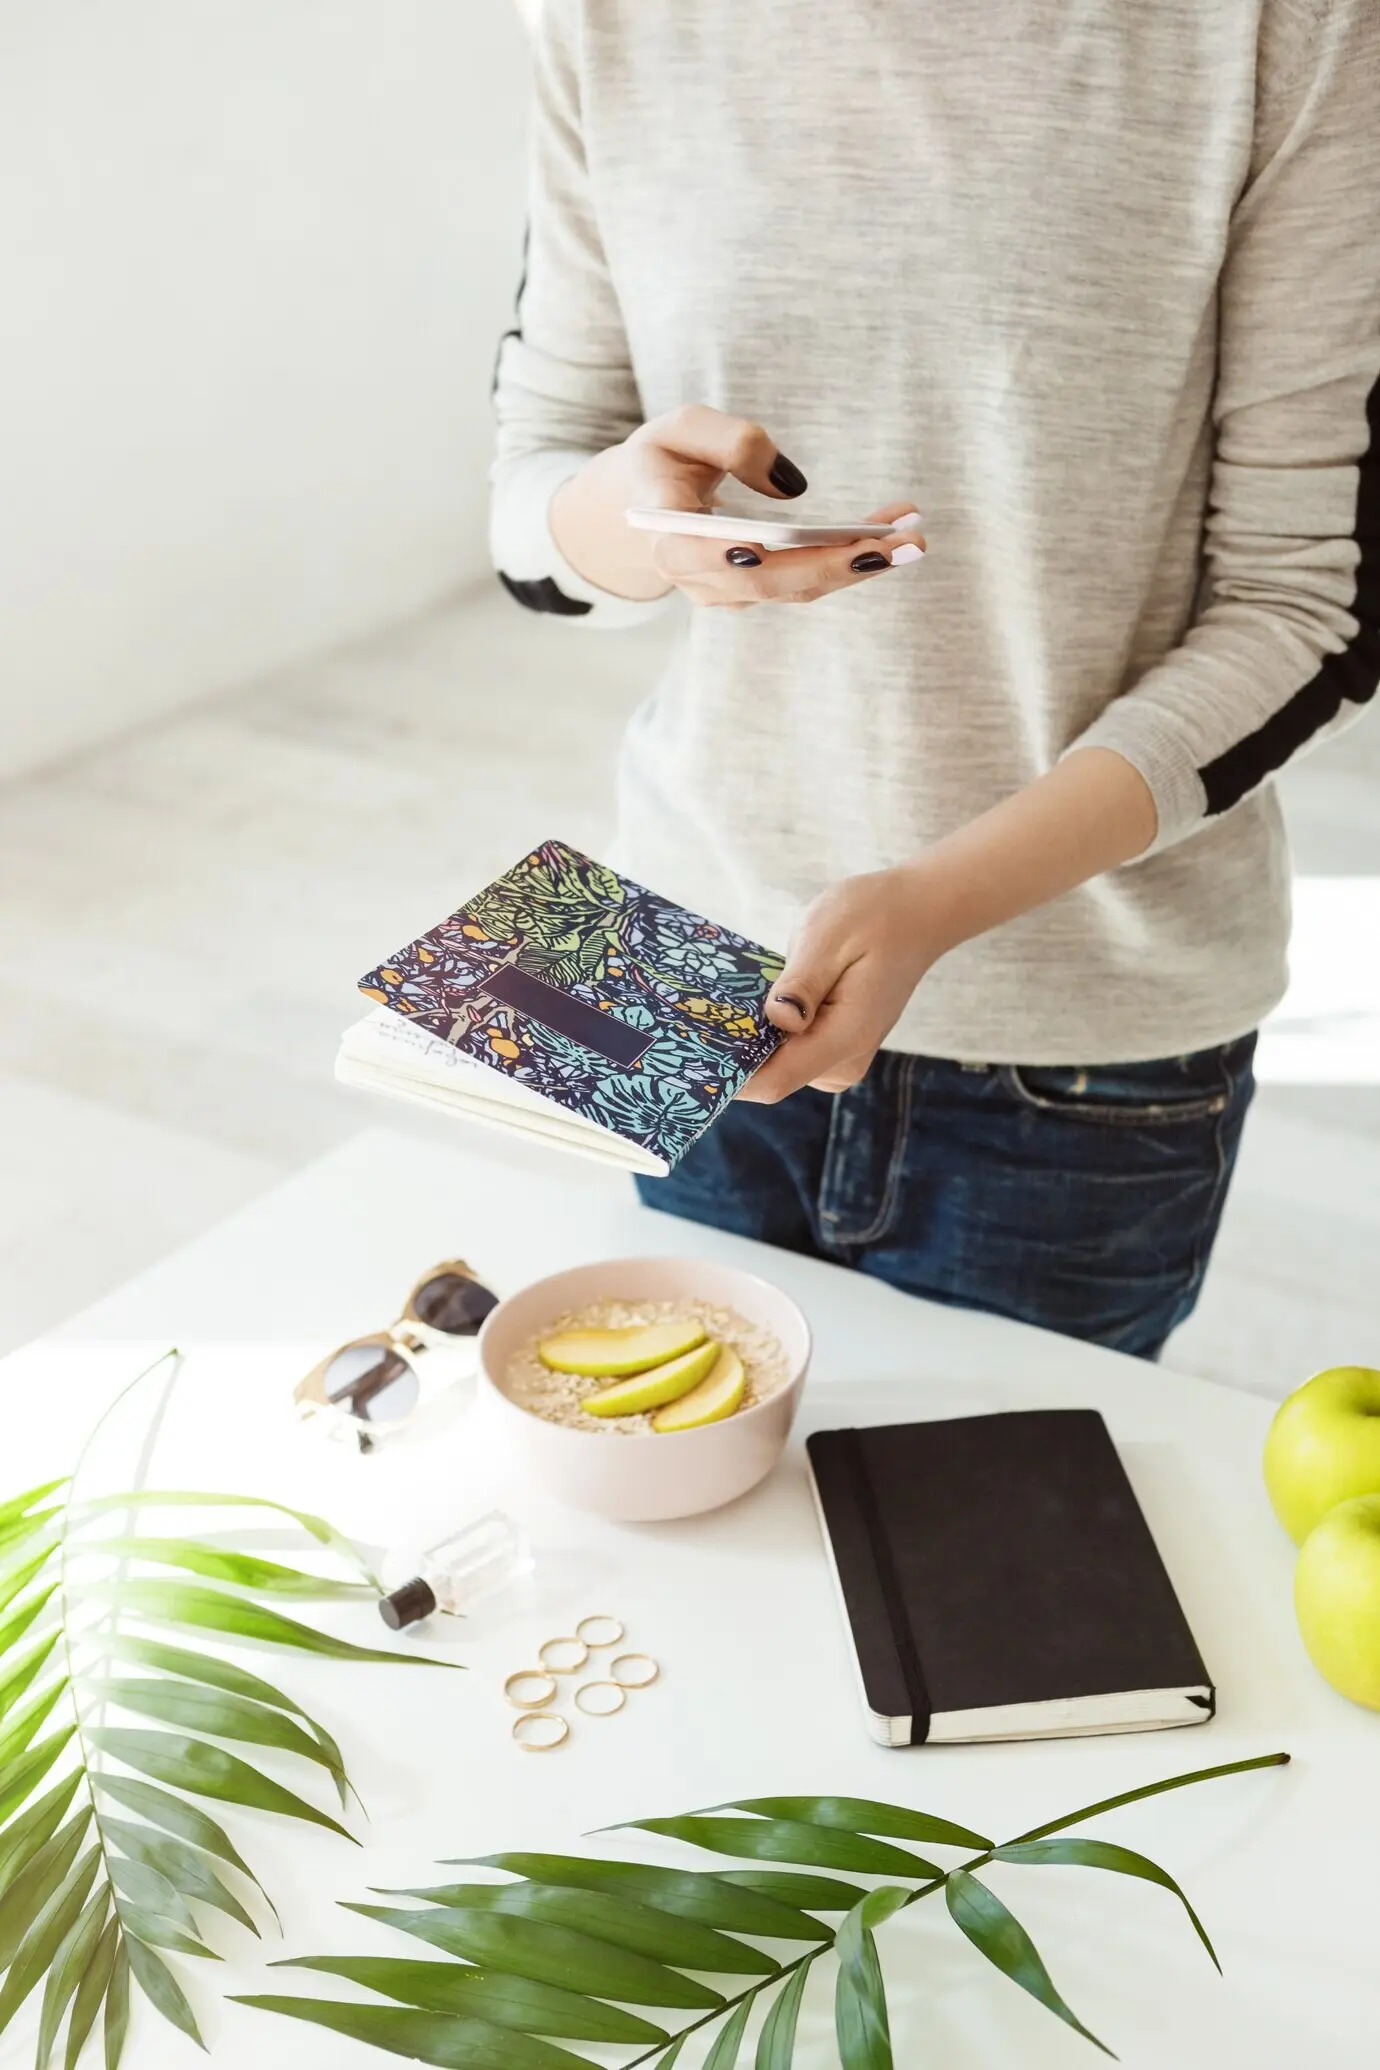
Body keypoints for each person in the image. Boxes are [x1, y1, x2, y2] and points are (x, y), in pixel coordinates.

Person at [491, 1, 1380, 1360]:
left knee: (991, 1557)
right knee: (688, 1525)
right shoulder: (598, 17)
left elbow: (1308, 606)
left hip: (1079, 1036)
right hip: (678, 948)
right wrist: (645, 526)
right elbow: (532, 498)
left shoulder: (1288, 27)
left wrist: (935, 901)